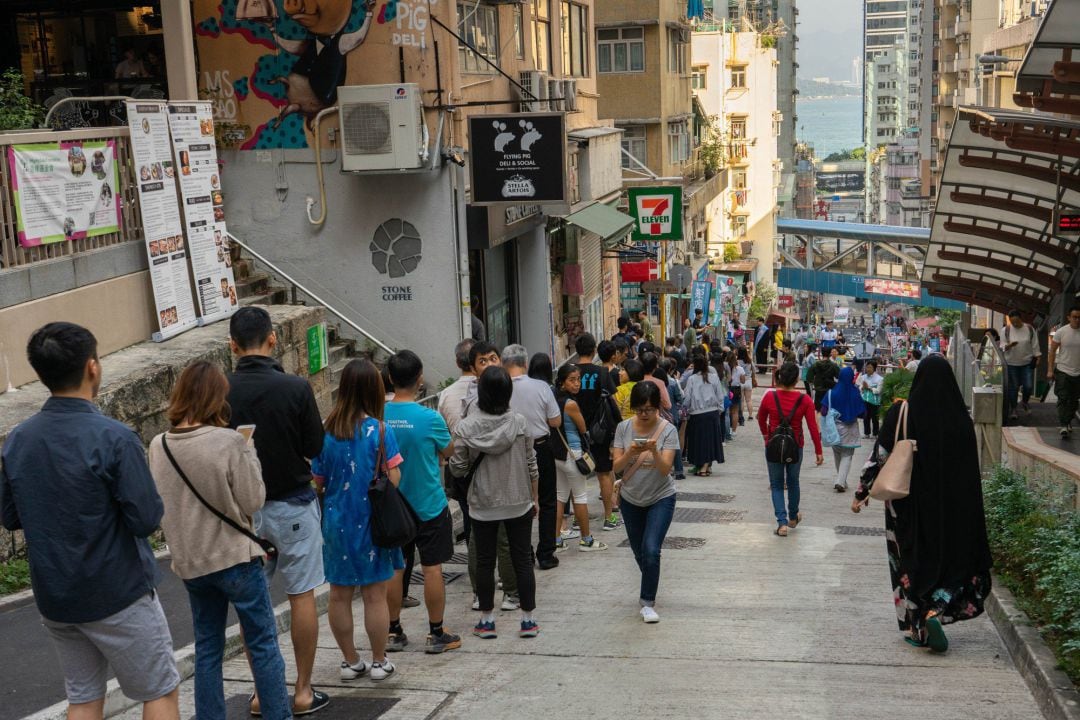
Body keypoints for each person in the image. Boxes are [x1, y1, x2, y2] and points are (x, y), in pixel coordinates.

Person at [1, 323, 180, 720]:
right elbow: (146, 518)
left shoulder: (18, 439)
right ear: (93, 368)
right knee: (160, 691)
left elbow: (11, 516)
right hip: (118, 591)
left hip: (56, 595)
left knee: (83, 698)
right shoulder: (114, 437)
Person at [149, 362, 291, 719]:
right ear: (217, 396)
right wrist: (250, 452)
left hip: (191, 563)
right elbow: (253, 500)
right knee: (262, 645)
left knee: (208, 648)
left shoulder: (158, 445)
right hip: (235, 559)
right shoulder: (228, 441)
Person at [226, 307, 328, 715]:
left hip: (242, 514)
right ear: (273, 340)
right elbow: (314, 447)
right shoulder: (296, 388)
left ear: (232, 346)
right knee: (301, 594)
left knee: (254, 602)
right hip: (293, 504)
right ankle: (303, 690)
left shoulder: (221, 391)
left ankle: (261, 692)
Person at [852, 356, 993, 652]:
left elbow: (880, 455)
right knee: (948, 557)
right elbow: (971, 473)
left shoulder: (902, 412)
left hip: (907, 506)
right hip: (952, 508)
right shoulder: (961, 422)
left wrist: (862, 491)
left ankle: (919, 627)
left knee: (910, 560)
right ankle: (936, 609)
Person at [313, 358, 405, 682]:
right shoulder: (380, 430)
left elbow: (317, 481)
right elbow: (393, 478)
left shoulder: (325, 431)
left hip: (336, 523)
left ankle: (350, 661)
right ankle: (379, 662)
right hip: (372, 523)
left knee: (339, 594)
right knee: (374, 595)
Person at [451, 366, 541, 640]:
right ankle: (527, 620)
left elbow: (457, 467)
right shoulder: (519, 423)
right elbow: (531, 464)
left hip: (482, 503)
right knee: (522, 560)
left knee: (485, 560)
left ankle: (487, 621)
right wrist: (534, 497)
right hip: (518, 500)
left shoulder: (465, 428)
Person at [384, 350, 460, 655]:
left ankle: (393, 631)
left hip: (392, 506)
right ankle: (436, 632)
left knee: (395, 569)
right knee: (432, 569)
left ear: (390, 379)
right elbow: (450, 452)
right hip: (429, 504)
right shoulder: (430, 418)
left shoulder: (379, 417)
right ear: (419, 379)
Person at [611, 382, 680, 623]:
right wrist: (630, 452)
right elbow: (616, 467)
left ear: (658, 408)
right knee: (639, 551)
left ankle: (647, 602)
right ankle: (651, 576)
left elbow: (665, 470)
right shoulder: (623, 428)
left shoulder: (668, 430)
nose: (644, 414)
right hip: (630, 498)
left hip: (661, 496)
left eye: (649, 409)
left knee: (651, 549)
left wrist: (655, 451)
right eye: (639, 409)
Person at [500, 345, 563, 569]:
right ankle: (546, 554)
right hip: (541, 446)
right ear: (525, 363)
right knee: (547, 502)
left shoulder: (500, 387)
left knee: (518, 504)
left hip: (509, 450)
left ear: (503, 363)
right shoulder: (541, 387)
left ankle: (523, 553)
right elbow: (556, 421)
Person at [757, 362, 824, 536]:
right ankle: (793, 517)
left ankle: (782, 524)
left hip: (773, 446)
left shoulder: (769, 397)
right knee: (793, 482)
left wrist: (766, 435)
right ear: (796, 379)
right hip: (795, 447)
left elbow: (760, 418)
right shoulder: (805, 400)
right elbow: (812, 427)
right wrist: (818, 450)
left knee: (777, 485)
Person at [552, 364, 608, 551]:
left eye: (578, 379)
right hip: (573, 453)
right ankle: (587, 540)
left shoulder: (553, 399)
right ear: (562, 381)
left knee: (560, 497)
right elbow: (583, 428)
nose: (577, 384)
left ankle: (556, 539)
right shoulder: (571, 404)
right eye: (572, 380)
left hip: (558, 454)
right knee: (580, 497)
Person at [575, 334, 622, 531]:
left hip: (575, 430)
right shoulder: (601, 373)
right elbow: (613, 399)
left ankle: (578, 520)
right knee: (604, 472)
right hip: (599, 431)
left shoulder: (568, 372)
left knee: (577, 476)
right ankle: (608, 517)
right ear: (594, 350)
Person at [820, 367, 865, 492]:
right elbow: (862, 413)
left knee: (837, 453)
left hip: (835, 428)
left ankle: (842, 480)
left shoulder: (831, 392)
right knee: (847, 455)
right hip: (850, 430)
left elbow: (823, 411)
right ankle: (840, 481)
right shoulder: (855, 392)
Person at [683, 353, 726, 476]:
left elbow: (687, 397)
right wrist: (719, 409)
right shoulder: (714, 377)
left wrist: (686, 408)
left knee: (699, 441)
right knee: (710, 441)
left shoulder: (692, 379)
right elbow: (720, 395)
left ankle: (703, 467)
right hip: (712, 413)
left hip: (697, 414)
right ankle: (706, 466)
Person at [1000, 309, 1041, 422]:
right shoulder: (1006, 330)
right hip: (1011, 363)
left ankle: (1025, 402)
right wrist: (1009, 345)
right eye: (1013, 322)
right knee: (1013, 387)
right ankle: (1013, 409)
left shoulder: (1029, 329)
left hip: (1026, 363)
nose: (1015, 324)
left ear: (1020, 319)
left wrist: (1038, 357)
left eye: (1017, 322)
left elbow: (1035, 344)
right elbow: (1002, 347)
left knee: (1028, 386)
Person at [1047, 306, 1080, 437]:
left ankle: (1068, 420)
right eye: (1074, 317)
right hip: (1063, 370)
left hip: (1078, 372)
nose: (1077, 320)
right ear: (1069, 318)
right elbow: (1052, 351)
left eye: (1079, 317)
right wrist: (1050, 369)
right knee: (1063, 398)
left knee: (1074, 400)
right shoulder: (1061, 332)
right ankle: (1063, 425)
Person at [858, 360, 884, 438]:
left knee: (875, 418)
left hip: (875, 402)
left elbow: (878, 391)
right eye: (867, 367)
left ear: (874, 368)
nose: (868, 369)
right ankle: (867, 433)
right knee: (866, 417)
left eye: (870, 367)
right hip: (865, 400)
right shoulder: (863, 377)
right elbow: (860, 387)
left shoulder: (879, 379)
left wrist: (868, 387)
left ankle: (875, 433)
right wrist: (862, 387)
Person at [727, 353, 746, 436]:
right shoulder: (740, 369)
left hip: (727, 389)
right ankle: (734, 430)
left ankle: (728, 429)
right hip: (736, 390)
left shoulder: (726, 368)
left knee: (727, 411)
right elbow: (743, 381)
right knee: (735, 411)